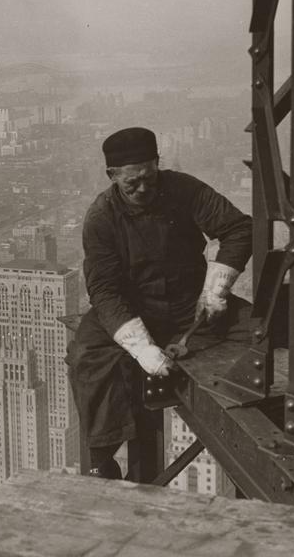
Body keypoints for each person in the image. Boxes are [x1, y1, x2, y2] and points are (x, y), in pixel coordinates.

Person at [66, 127, 252, 479]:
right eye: (131, 183)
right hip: (132, 309)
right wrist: (142, 349)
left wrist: (215, 289)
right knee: (86, 356)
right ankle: (101, 459)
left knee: (262, 330)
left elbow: (238, 229)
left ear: (157, 164)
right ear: (112, 176)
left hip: (189, 303)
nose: (143, 189)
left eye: (149, 178)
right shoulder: (101, 217)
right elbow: (104, 290)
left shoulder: (184, 189)